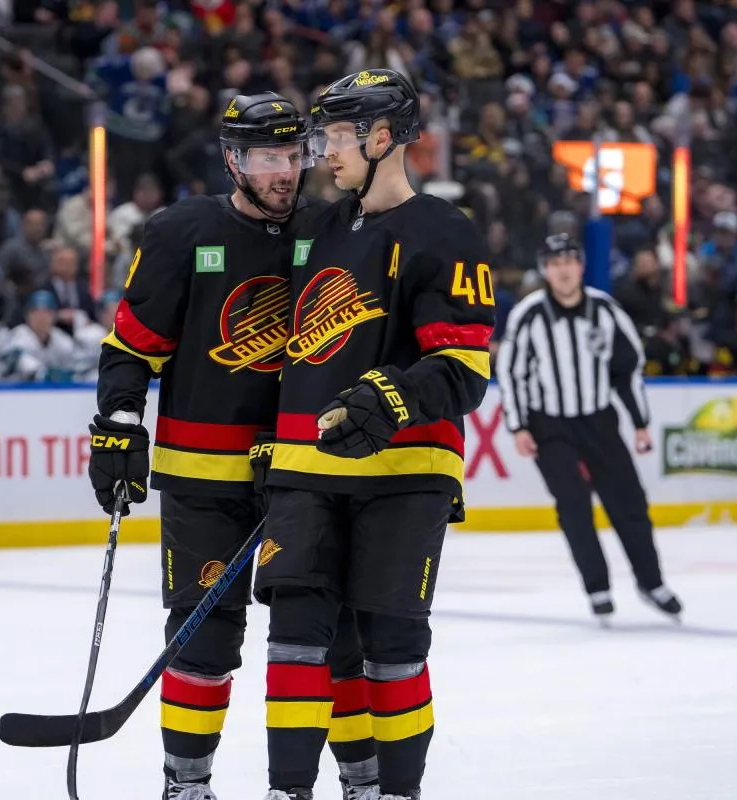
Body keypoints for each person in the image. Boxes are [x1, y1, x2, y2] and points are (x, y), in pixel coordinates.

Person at [87, 93, 378, 800]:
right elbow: (131, 347)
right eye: (267, 157)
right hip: (203, 478)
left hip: (304, 474)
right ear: (233, 160)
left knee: (332, 636)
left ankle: (362, 781)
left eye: (294, 154)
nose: (285, 171)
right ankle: (186, 785)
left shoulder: (331, 227)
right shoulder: (181, 231)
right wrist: (120, 422)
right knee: (206, 637)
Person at [251, 69, 495, 800]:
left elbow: (464, 370)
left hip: (404, 474)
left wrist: (392, 395)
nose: (322, 152)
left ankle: (397, 792)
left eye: (334, 137)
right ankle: (289, 790)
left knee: (392, 645)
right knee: (295, 637)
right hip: (306, 471)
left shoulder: (445, 232)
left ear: (382, 137)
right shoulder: (317, 229)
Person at [496, 234, 682, 624]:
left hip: (598, 420)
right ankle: (597, 587)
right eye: (555, 263)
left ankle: (651, 582)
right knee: (574, 505)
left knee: (629, 502)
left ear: (580, 266)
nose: (563, 270)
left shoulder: (605, 310)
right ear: (546, 271)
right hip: (549, 424)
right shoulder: (529, 314)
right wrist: (519, 426)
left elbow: (627, 369)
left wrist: (640, 423)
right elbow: (512, 373)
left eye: (569, 261)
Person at [2, 290, 77, 383]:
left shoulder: (61, 339)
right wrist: (44, 373)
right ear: (27, 315)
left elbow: (73, 367)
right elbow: (20, 360)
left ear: (54, 316)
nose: (41, 318)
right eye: (36, 312)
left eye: (46, 313)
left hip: (52, 390)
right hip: (19, 388)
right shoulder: (19, 334)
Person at [73, 289, 119, 382]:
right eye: (110, 310)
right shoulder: (90, 334)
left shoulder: (127, 337)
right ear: (101, 313)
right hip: (87, 384)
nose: (115, 315)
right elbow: (79, 371)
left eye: (118, 310)